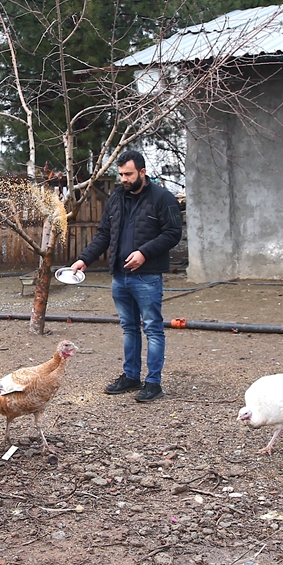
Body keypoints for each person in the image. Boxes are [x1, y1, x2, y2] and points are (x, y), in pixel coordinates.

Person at [70, 150, 182, 403]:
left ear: (142, 172)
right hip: (120, 276)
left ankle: (153, 383)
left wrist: (144, 252)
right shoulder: (116, 198)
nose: (124, 179)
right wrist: (84, 259)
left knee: (153, 328)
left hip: (147, 276)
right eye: (121, 174)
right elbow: (103, 235)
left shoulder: (163, 199)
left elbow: (173, 233)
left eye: (129, 174)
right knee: (128, 328)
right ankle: (131, 376)